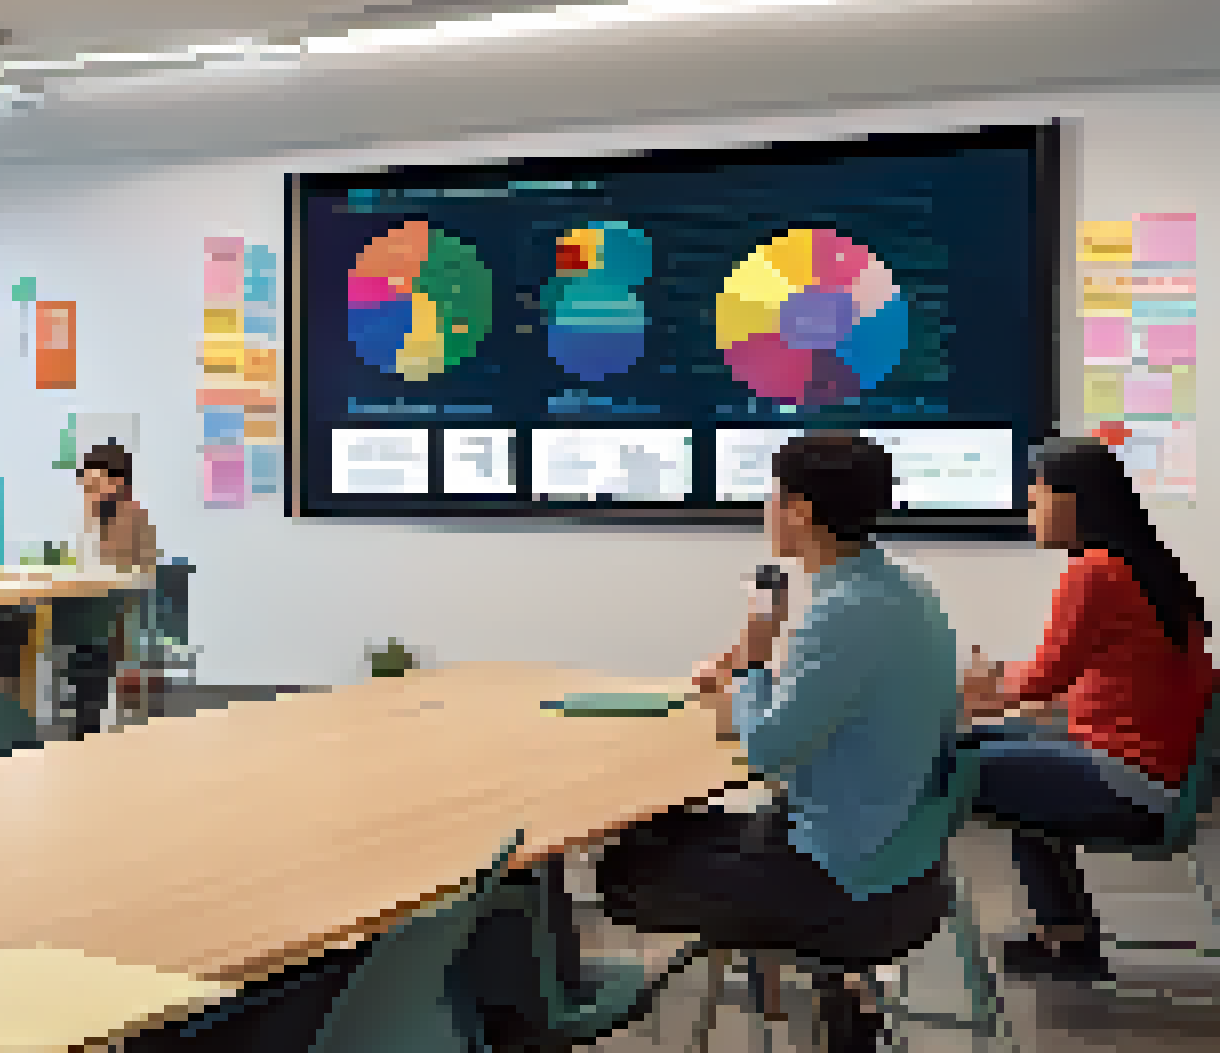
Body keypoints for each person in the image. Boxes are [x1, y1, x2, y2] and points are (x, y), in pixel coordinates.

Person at [460, 435, 962, 1053]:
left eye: (772, 496)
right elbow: (834, 710)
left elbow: (770, 750)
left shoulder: (845, 610)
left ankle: (537, 1015)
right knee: (664, 828)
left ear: (800, 511)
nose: (766, 509)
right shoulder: (907, 594)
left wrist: (754, 660)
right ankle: (837, 1000)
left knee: (621, 870)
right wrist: (757, 681)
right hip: (897, 861)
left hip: (846, 881)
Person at [957, 437, 1216, 981]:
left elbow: (1044, 677)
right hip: (1156, 775)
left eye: (1038, 493)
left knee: (951, 764)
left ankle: (876, 922)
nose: (1028, 504)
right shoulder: (1143, 568)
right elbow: (1068, 680)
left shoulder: (1094, 572)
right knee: (992, 748)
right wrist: (1000, 696)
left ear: (1075, 501)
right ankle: (1065, 937)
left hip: (1129, 781)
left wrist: (982, 691)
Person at [51, 441, 158, 739]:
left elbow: (119, 575)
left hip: (120, 621)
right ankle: (83, 722)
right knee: (81, 654)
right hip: (99, 617)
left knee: (88, 659)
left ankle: (87, 726)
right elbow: (83, 566)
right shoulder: (97, 516)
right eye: (85, 485)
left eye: (95, 484)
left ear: (118, 482)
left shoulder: (129, 517)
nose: (88, 492)